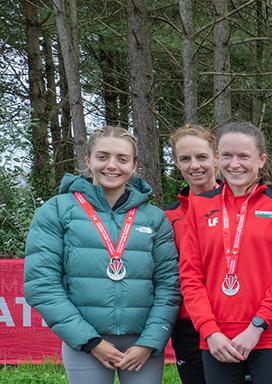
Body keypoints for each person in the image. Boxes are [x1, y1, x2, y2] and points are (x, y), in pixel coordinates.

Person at [24, 126, 180, 384]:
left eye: (122, 159)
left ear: (134, 165)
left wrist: (150, 341)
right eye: (102, 156)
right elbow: (41, 284)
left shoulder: (154, 218)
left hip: (143, 345)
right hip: (86, 344)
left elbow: (169, 286)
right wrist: (91, 341)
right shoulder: (56, 211)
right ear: (87, 160)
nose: (112, 166)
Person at [178, 121, 272, 384]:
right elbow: (190, 276)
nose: (234, 164)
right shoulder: (200, 206)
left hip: (267, 333)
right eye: (226, 155)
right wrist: (209, 331)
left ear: (261, 160)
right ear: (217, 159)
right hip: (216, 338)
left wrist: (257, 326)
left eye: (244, 156)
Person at [165, 124, 221, 384]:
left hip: (231, 320)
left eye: (201, 157)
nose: (194, 165)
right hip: (189, 325)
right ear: (176, 163)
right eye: (185, 159)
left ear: (216, 157)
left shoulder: (240, 206)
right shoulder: (169, 216)